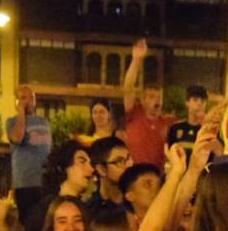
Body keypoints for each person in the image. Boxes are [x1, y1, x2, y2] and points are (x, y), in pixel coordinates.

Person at [20, 141, 96, 231]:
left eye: (91, 163)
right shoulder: (45, 209)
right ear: (63, 167)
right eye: (82, 162)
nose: (91, 169)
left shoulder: (89, 207)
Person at [121, 38, 175, 168]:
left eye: (159, 97)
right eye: (151, 97)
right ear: (143, 100)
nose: (157, 100)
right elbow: (128, 87)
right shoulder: (134, 113)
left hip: (157, 176)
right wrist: (136, 60)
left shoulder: (168, 122)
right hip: (134, 173)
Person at [6, 83, 52, 220]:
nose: (28, 101)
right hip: (25, 182)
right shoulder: (12, 122)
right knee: (28, 221)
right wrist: (21, 112)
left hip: (44, 181)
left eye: (31, 97)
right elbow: (17, 138)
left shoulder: (44, 121)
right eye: (23, 98)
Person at [88, 136, 133, 211]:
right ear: (101, 169)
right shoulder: (91, 210)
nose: (129, 165)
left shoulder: (137, 202)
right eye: (120, 161)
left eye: (128, 158)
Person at [167, 85, 208, 151]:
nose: (199, 104)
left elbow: (217, 155)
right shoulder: (175, 128)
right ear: (187, 102)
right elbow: (170, 153)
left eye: (202, 101)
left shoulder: (209, 131)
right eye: (195, 100)